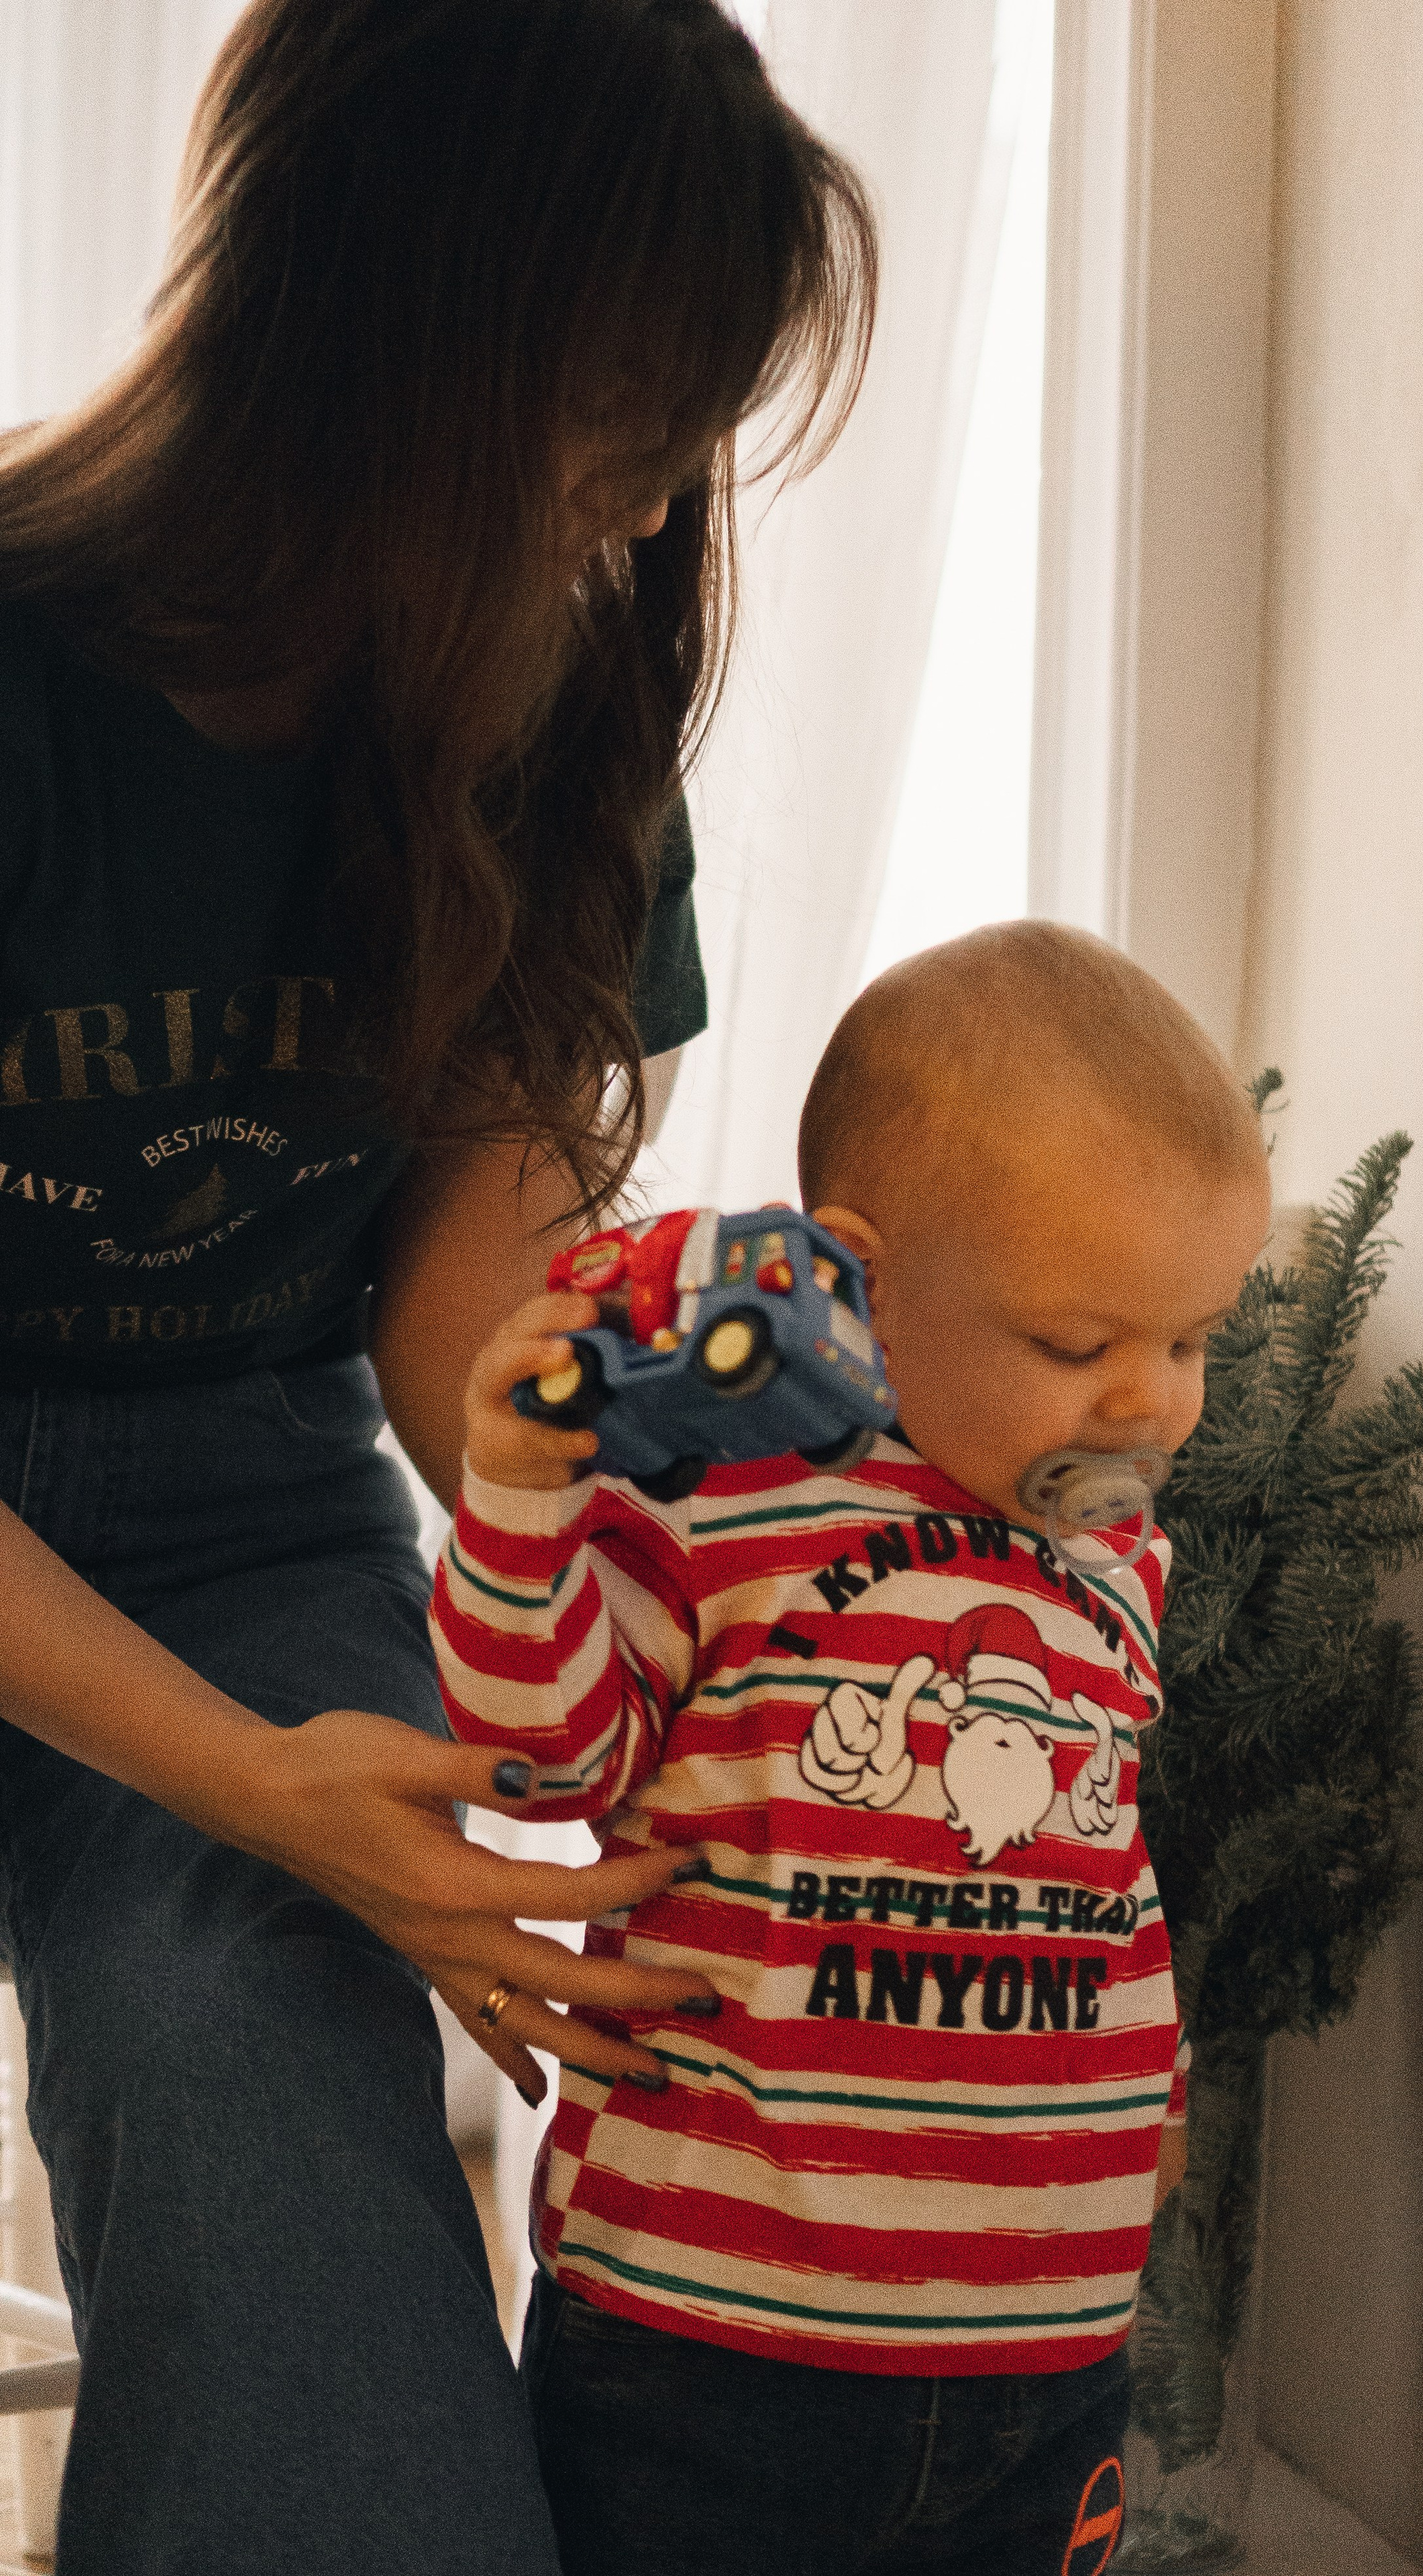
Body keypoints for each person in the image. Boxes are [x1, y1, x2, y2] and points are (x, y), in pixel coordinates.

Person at [0, 4, 875, 2571]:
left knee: (259, 2079)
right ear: (367, 329)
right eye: (606, 418)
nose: (632, 512)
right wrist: (256, 1780)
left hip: (242, 1518)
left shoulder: (552, 703)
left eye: (670, 436)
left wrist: (733, 1591)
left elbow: (461, 1332)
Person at [433, 922, 1275, 2576]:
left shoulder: (1122, 1560)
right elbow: (544, 1758)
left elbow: (1100, 1848)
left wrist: (1148, 2085)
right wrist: (520, 1493)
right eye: (1074, 1344)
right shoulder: (720, 1507)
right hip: (710, 2341)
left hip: (1040, 2343)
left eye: (1187, 1342)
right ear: (859, 1278)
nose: (1146, 1408)